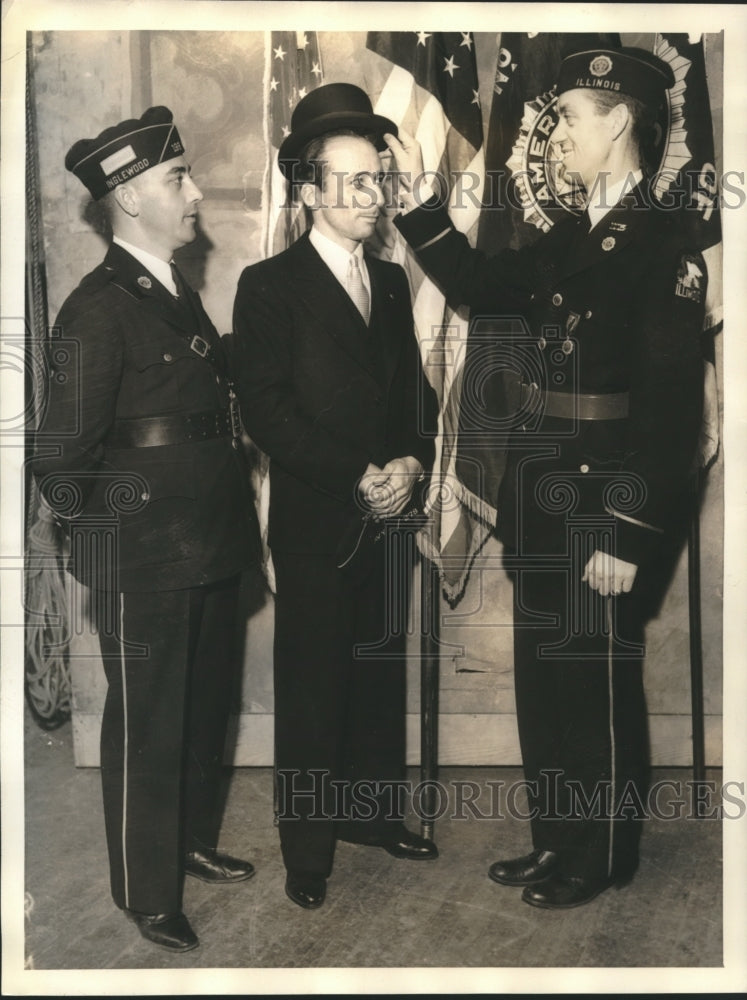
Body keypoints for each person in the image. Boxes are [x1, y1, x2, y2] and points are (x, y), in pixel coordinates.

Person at [386, 48, 707, 908]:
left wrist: (629, 534)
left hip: (604, 503)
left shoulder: (662, 245)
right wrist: (418, 205)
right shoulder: (568, 234)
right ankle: (555, 836)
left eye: (569, 114)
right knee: (542, 674)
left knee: (593, 679)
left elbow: (673, 421)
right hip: (539, 490)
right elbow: (481, 286)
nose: (554, 129)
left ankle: (600, 854)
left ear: (620, 123)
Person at [32, 107, 260, 951]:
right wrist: (111, 554)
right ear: (128, 198)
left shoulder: (171, 287)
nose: (195, 193)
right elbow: (59, 458)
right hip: (146, 555)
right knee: (150, 721)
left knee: (201, 709)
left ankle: (190, 841)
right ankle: (145, 885)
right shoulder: (98, 309)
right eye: (177, 179)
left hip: (212, 537)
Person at [232, 84, 440, 910]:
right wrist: (358, 473)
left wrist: (413, 465)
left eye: (379, 179)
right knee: (316, 684)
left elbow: (415, 399)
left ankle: (372, 814)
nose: (373, 196)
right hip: (321, 520)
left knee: (377, 672)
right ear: (308, 191)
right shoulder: (268, 285)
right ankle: (308, 850)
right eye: (351, 181)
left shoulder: (390, 283)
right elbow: (266, 409)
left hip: (390, 513)